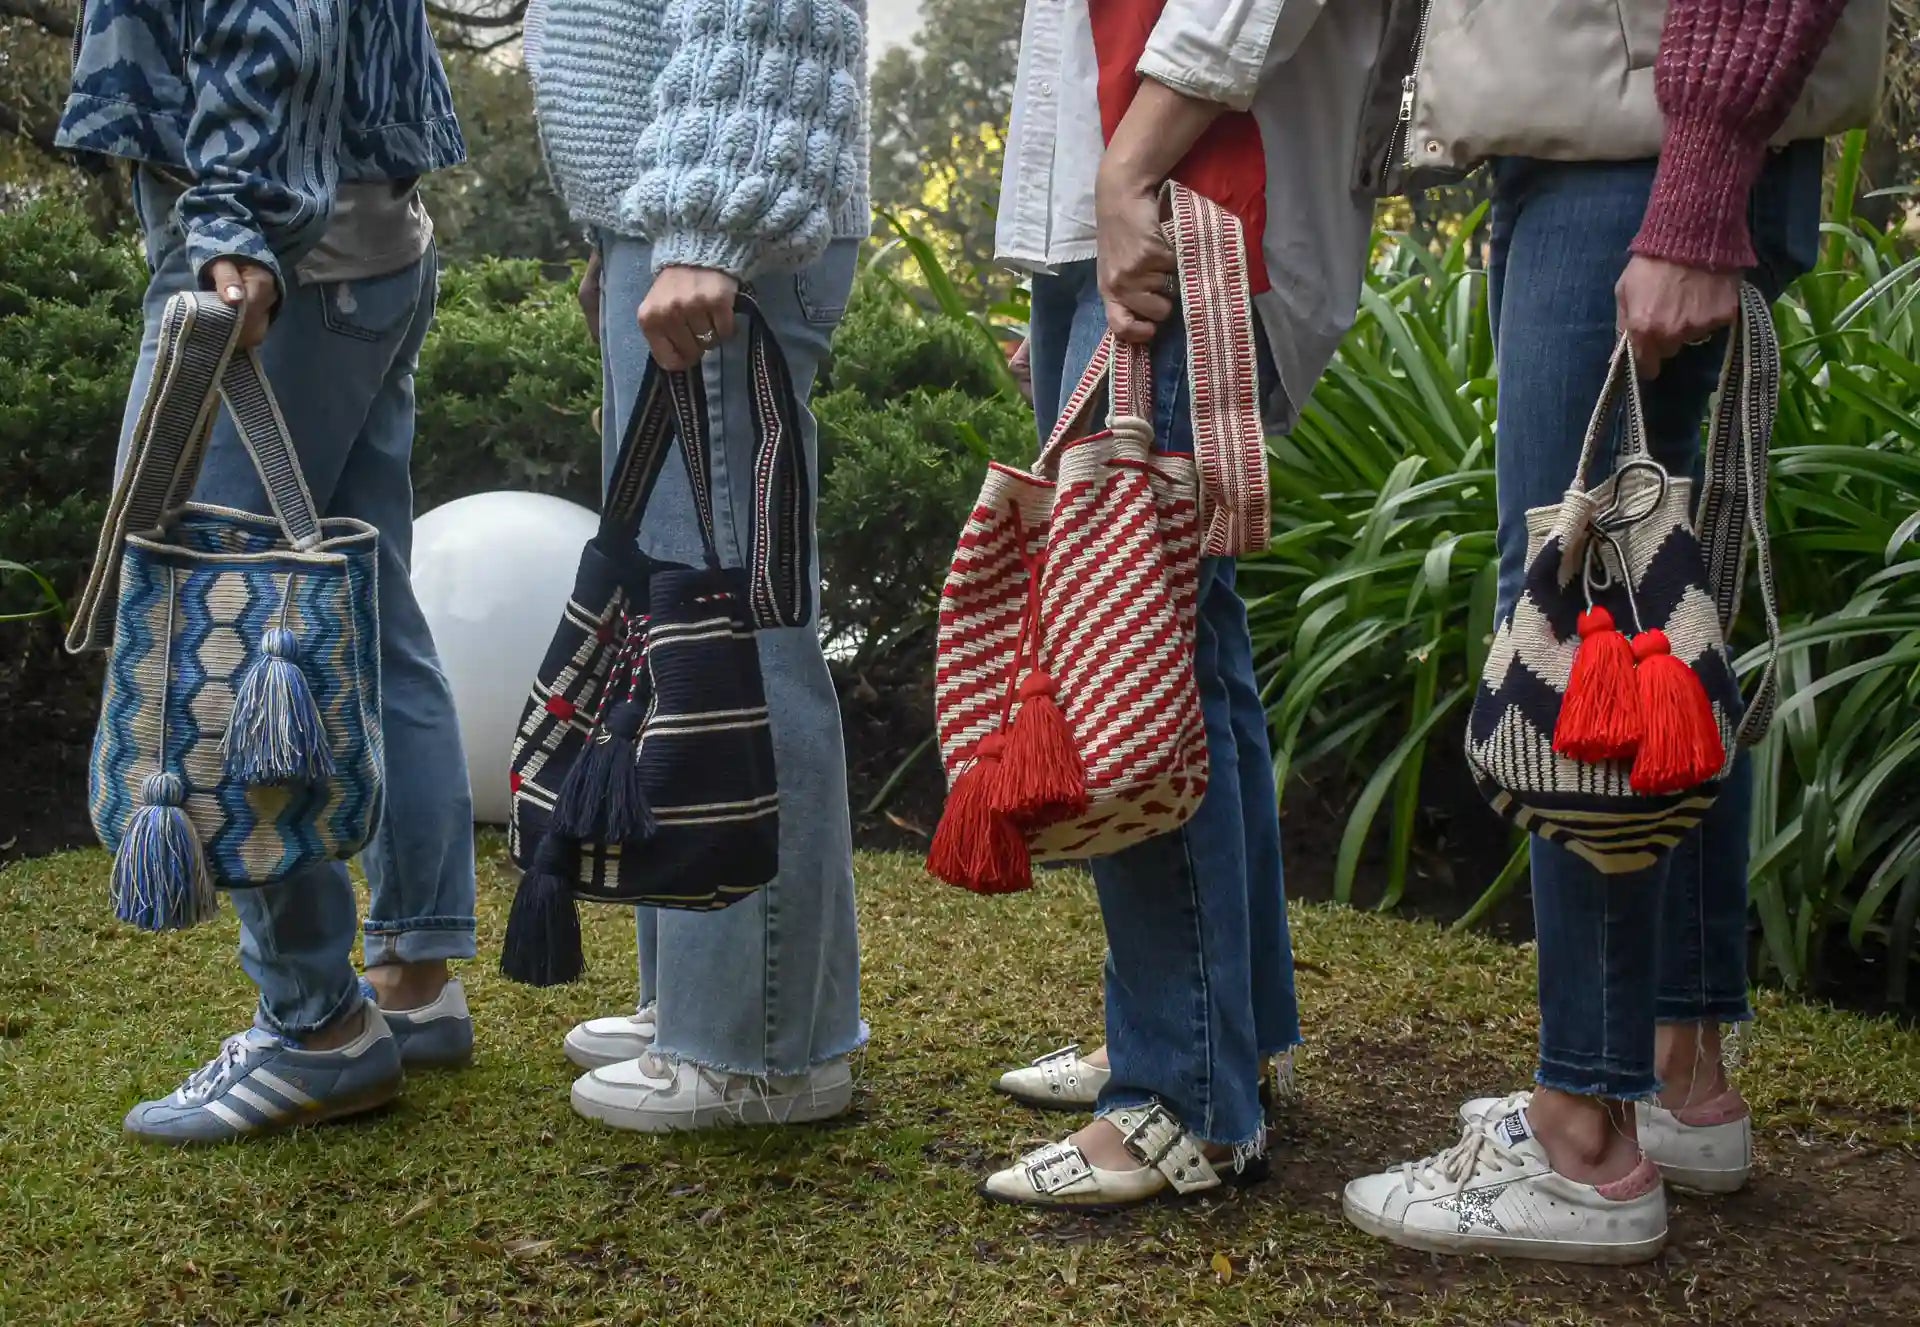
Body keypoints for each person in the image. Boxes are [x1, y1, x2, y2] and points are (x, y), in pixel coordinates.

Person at [1342, 0, 1887, 1263]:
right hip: (1644, 142)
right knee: (1653, 617)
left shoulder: (1655, 159)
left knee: (1576, 621)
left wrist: (1695, 185)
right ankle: (1674, 1073)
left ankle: (1585, 1133)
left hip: (1638, 158)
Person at [978, 0, 1391, 1208]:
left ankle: (1183, 1096)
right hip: (1136, 200)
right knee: (1184, 640)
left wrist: (1129, 164)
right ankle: (1221, 1035)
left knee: (1136, 642)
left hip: (1190, 202)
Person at [59, 1, 478, 1142]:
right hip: (366, 244)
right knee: (365, 616)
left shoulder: (248, 232)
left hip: (265, 262)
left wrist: (231, 218)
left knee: (232, 633)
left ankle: (316, 1027)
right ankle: (415, 983)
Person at [524, 0, 869, 1131]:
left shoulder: (712, 225)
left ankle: (763, 1045)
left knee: (736, 633)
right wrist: (629, 244)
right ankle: (695, 1001)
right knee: (678, 626)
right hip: (673, 205)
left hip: (717, 220)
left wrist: (703, 228)